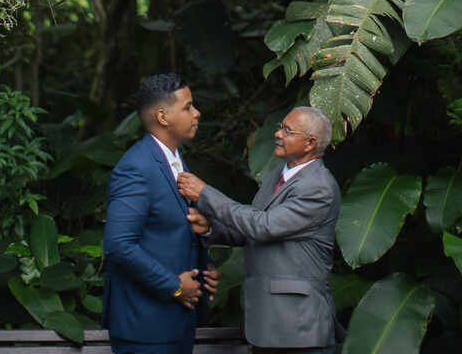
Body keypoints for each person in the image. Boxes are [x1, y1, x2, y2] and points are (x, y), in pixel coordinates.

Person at [177, 107, 341, 354]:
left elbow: (264, 226)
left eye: (287, 130)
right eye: (280, 127)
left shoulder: (318, 187)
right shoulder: (277, 174)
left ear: (310, 143)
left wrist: (205, 194)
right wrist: (212, 227)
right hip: (269, 323)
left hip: (298, 327)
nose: (277, 134)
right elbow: (252, 228)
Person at [102, 74, 218, 354]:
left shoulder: (175, 160)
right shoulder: (136, 168)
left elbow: (173, 228)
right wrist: (174, 286)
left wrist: (206, 268)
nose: (196, 113)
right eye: (188, 107)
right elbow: (118, 245)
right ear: (163, 117)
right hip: (146, 327)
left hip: (175, 323)